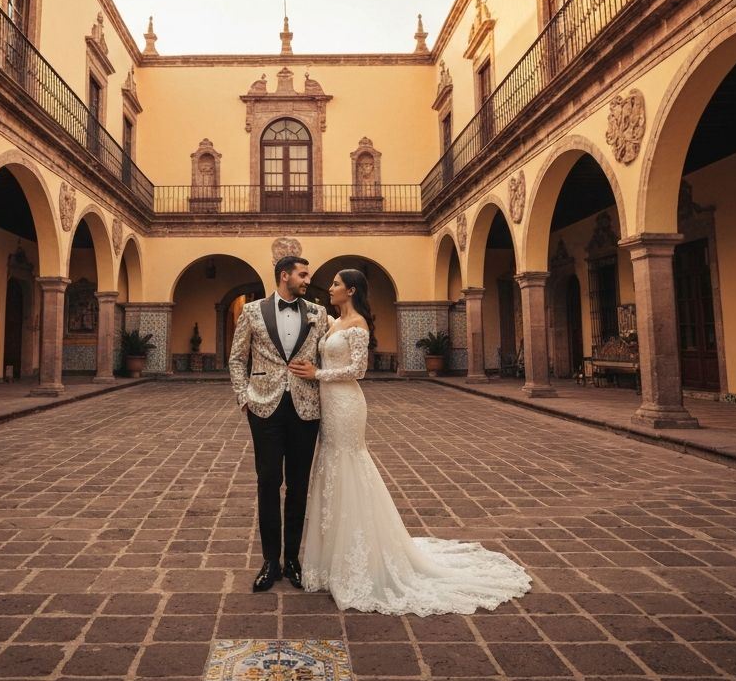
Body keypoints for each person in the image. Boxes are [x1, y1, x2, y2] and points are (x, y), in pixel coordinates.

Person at [288, 269, 532, 615]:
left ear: (351, 290)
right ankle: (334, 557)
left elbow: (358, 370)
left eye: (336, 284)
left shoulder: (358, 324)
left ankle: (360, 557)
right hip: (328, 406)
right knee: (330, 467)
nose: (330, 288)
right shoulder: (332, 322)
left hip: (346, 404)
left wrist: (318, 375)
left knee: (349, 465)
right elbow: (312, 322)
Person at [228, 255, 328, 592]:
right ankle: (270, 561)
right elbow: (237, 357)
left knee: (299, 485)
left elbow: (325, 358)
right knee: (268, 481)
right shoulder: (252, 311)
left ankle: (293, 560)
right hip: (264, 407)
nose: (307, 280)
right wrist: (244, 396)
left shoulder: (319, 313)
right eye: (302, 274)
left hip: (306, 408)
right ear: (284, 276)